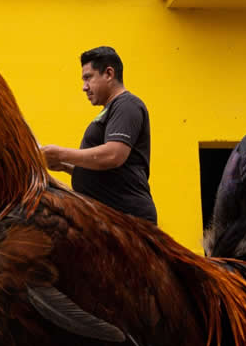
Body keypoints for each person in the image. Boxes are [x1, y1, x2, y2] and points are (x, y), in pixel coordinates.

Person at [41, 46, 158, 225]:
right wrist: (67, 167)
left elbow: (114, 155)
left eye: (88, 78)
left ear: (109, 74)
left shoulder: (127, 105)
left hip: (129, 221)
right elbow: (112, 173)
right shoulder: (110, 110)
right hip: (108, 218)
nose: (84, 87)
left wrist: (60, 154)